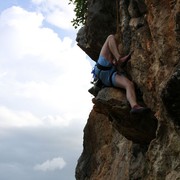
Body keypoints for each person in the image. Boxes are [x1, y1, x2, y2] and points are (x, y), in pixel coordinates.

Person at [93, 34, 148, 113]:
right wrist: (117, 58)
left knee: (129, 84)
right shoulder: (113, 47)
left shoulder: (111, 50)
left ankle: (134, 106)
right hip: (105, 69)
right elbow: (111, 39)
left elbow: (113, 62)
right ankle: (119, 58)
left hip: (106, 76)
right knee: (110, 37)